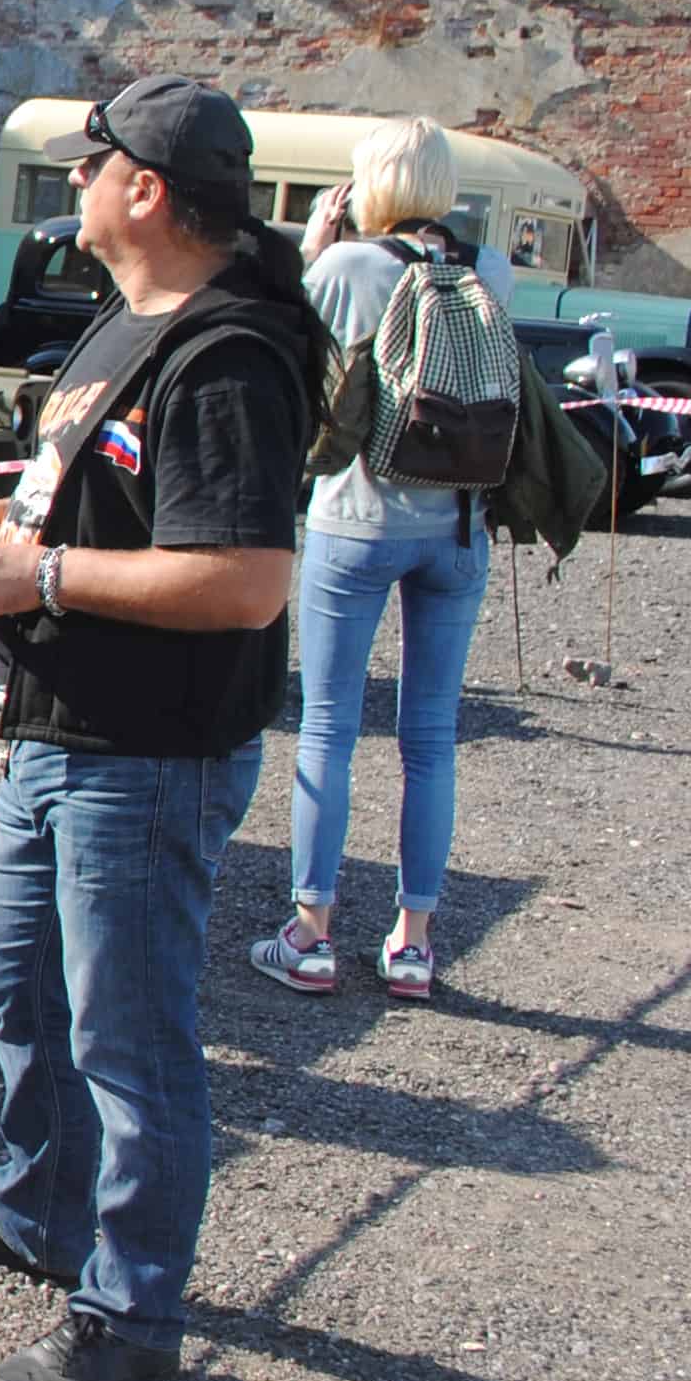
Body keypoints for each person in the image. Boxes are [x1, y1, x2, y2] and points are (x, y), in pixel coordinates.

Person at [0, 77, 321, 1381]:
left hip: (144, 752)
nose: (72, 187)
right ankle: (42, 1220)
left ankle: (130, 1315)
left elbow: (246, 581)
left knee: (134, 1044)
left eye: (91, 169)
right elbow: (90, 486)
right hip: (56, 735)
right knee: (9, 981)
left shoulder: (230, 353)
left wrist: (46, 579)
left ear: (147, 191)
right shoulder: (136, 323)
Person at [253, 119, 513, 1003]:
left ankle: (314, 933)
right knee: (429, 739)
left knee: (328, 727)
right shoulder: (484, 270)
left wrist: (312, 251)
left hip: (358, 517)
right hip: (458, 523)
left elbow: (281, 355)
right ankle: (413, 941)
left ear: (368, 184)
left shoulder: (346, 267)